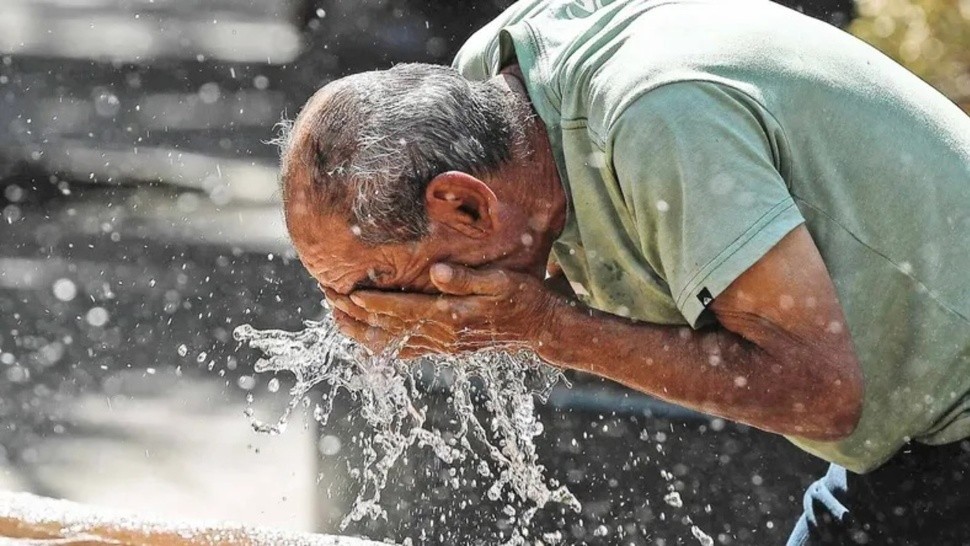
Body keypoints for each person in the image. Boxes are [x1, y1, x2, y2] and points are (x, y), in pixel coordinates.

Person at [278, 0, 970, 543]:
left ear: (463, 203)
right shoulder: (503, 87)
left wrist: (547, 327)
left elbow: (821, 393)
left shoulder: (655, 123)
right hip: (912, 441)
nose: (374, 323)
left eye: (379, 283)